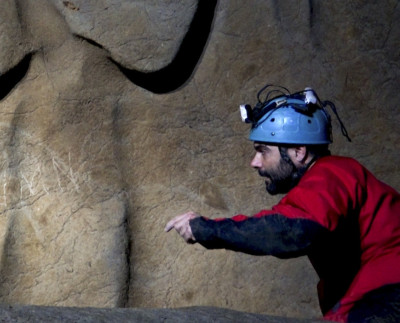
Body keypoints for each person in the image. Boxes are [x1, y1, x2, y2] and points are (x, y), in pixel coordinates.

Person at [164, 85, 400, 322]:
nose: (254, 162)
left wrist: (204, 228)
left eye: (263, 150)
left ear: (298, 152)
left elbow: (291, 230)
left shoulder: (331, 172)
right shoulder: (322, 182)